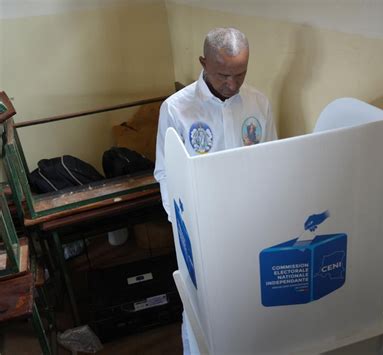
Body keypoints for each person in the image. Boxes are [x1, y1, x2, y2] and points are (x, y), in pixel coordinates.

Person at [154, 27, 277, 354]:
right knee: (202, 310)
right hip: (201, 226)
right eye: (223, 75)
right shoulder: (176, 109)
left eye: (241, 74)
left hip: (250, 225)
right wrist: (181, 223)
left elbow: (272, 160)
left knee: (250, 305)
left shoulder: (258, 103)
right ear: (203, 63)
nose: (232, 84)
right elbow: (164, 171)